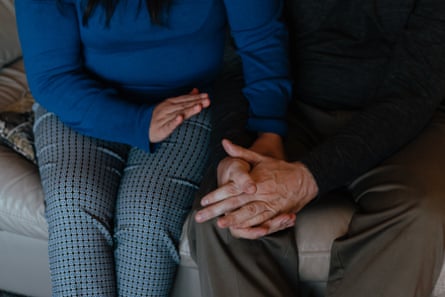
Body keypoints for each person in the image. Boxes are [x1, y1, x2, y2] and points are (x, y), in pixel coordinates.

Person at [15, 0, 291, 296]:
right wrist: (139, 122)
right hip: (80, 102)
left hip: (189, 104)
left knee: (147, 210)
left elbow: (261, 39)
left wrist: (269, 130)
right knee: (72, 199)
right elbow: (52, 76)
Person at [191, 0, 445, 296]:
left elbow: (413, 90)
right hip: (286, 112)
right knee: (224, 215)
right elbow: (239, 57)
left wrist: (310, 177)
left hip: (405, 120)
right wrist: (230, 156)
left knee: (420, 209)